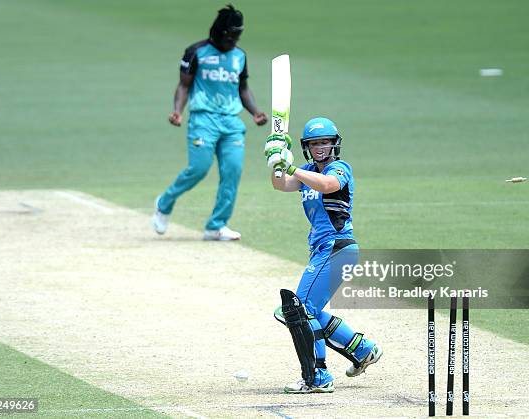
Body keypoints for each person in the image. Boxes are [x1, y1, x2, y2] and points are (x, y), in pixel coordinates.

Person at [265, 117, 383, 394]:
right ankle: (362, 349)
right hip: (323, 250)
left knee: (298, 310)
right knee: (306, 310)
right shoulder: (306, 171)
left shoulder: (339, 168)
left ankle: (318, 376)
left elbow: (328, 185)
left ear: (334, 144)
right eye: (315, 143)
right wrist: (275, 160)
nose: (320, 148)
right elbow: (280, 185)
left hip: (337, 247)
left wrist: (291, 165)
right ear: (307, 146)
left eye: (325, 142)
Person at [152, 4, 267, 240]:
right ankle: (164, 203)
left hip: (231, 123)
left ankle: (216, 226)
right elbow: (184, 85)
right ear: (220, 32)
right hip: (203, 119)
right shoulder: (196, 52)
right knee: (199, 169)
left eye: (238, 35)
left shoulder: (239, 56)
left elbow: (243, 88)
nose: (235, 40)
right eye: (232, 35)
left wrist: (255, 111)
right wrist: (177, 111)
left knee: (232, 172)